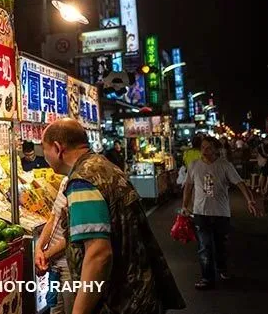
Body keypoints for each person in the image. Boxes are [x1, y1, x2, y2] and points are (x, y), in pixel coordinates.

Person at [41, 119, 184, 314]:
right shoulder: (104, 166)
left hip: (121, 300)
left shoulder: (82, 183)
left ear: (58, 148)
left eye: (45, 149)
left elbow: (99, 255)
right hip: (140, 292)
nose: (44, 156)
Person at [181, 136, 257, 290]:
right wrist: (184, 206)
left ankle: (222, 268)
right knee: (204, 246)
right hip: (200, 212)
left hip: (221, 212)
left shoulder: (225, 165)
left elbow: (240, 183)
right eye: (203, 147)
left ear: (216, 149)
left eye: (209, 147)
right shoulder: (194, 165)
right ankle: (207, 278)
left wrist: (249, 200)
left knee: (220, 244)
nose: (205, 150)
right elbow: (188, 186)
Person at [35, 176, 75, 314]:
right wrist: (38, 248)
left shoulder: (79, 187)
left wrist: (45, 255)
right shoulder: (65, 181)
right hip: (55, 266)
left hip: (70, 267)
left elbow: (72, 233)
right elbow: (53, 218)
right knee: (55, 310)